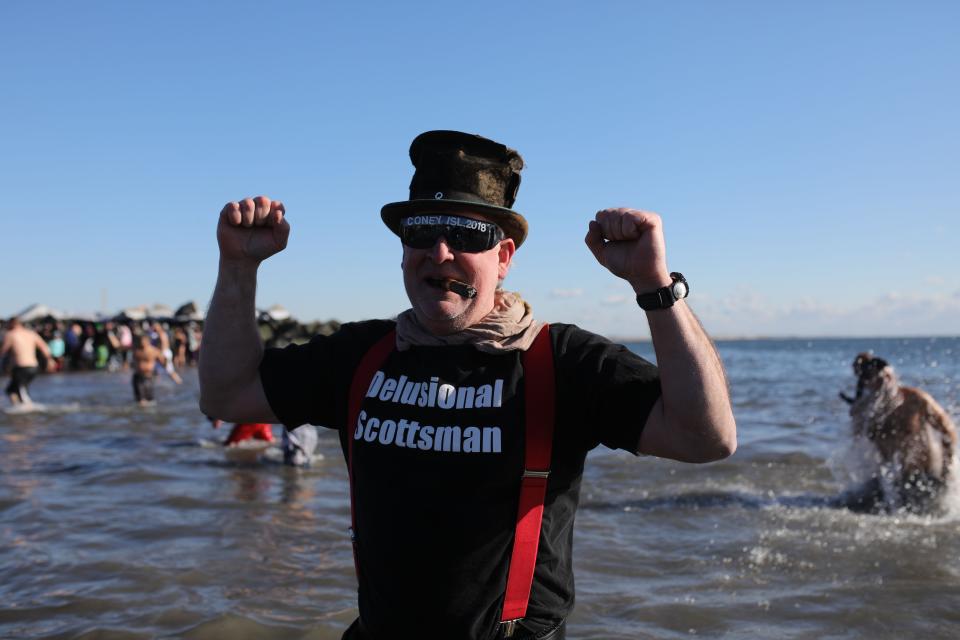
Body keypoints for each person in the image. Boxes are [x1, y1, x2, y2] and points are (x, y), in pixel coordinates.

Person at [199, 130, 736, 640]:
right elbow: (226, 395)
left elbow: (705, 438)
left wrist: (655, 285)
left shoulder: (561, 361)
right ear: (403, 250)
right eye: (421, 232)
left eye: (465, 235)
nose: (440, 253)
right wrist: (238, 266)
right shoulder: (361, 356)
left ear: (502, 258)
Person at [1, 318, 55, 406]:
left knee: (20, 390)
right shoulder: (31, 334)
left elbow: (3, 350)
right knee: (11, 390)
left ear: (12, 324)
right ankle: (17, 407)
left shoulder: (11, 334)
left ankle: (27, 409)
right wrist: (50, 360)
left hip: (21, 367)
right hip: (33, 367)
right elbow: (45, 347)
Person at [131, 334, 163, 406]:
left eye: (144, 341)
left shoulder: (154, 351)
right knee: (139, 400)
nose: (142, 342)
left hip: (149, 376)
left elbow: (163, 362)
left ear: (148, 341)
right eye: (141, 341)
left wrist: (158, 373)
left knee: (150, 400)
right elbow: (133, 362)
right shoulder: (137, 351)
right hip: (138, 376)